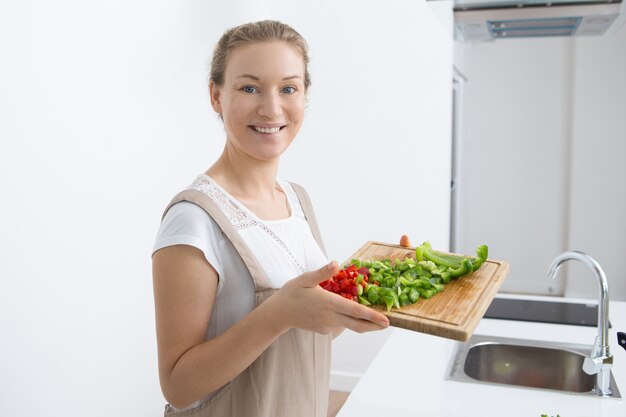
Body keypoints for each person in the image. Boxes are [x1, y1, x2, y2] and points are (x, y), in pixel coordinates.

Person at [152, 20, 390, 417]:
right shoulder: (193, 220)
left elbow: (303, 336)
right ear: (216, 96)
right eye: (249, 87)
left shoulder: (297, 201)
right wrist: (278, 313)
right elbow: (178, 386)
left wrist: (365, 292)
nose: (272, 107)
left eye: (288, 88)